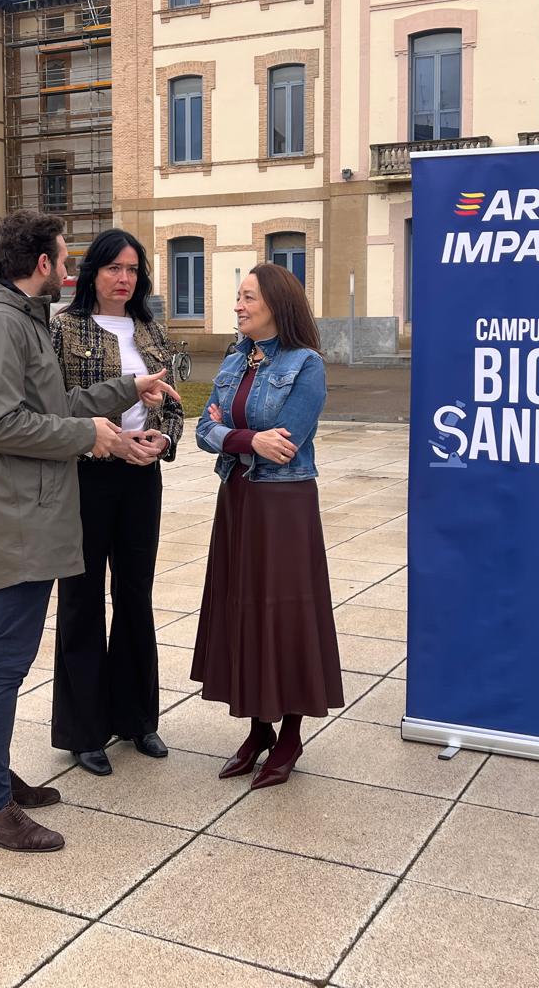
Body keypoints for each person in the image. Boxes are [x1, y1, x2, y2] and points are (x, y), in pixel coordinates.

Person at [0, 210, 180, 853]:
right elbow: (2, 423)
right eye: (65, 257)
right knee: (4, 661)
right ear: (42, 264)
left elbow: (54, 407)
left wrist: (127, 387)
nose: (70, 268)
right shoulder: (1, 323)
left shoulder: (23, 318)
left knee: (2, 656)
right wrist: (90, 436)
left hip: (31, 511)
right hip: (15, 516)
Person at [192, 263, 343, 790]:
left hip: (283, 505)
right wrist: (247, 439)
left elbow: (287, 442)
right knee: (242, 609)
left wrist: (234, 435)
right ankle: (258, 729)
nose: (237, 305)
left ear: (276, 304)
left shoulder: (307, 365)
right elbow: (203, 429)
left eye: (248, 297)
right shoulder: (235, 360)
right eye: (238, 296)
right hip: (237, 498)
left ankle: (290, 735)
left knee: (285, 613)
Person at [50, 229, 184, 777]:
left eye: (133, 269)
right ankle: (84, 730)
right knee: (81, 600)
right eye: (114, 268)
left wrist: (162, 440)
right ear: (93, 273)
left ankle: (137, 719)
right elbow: (53, 405)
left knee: (135, 596)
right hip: (85, 478)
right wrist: (103, 439)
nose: (124, 278)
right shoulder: (63, 328)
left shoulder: (153, 329)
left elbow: (174, 406)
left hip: (141, 480)